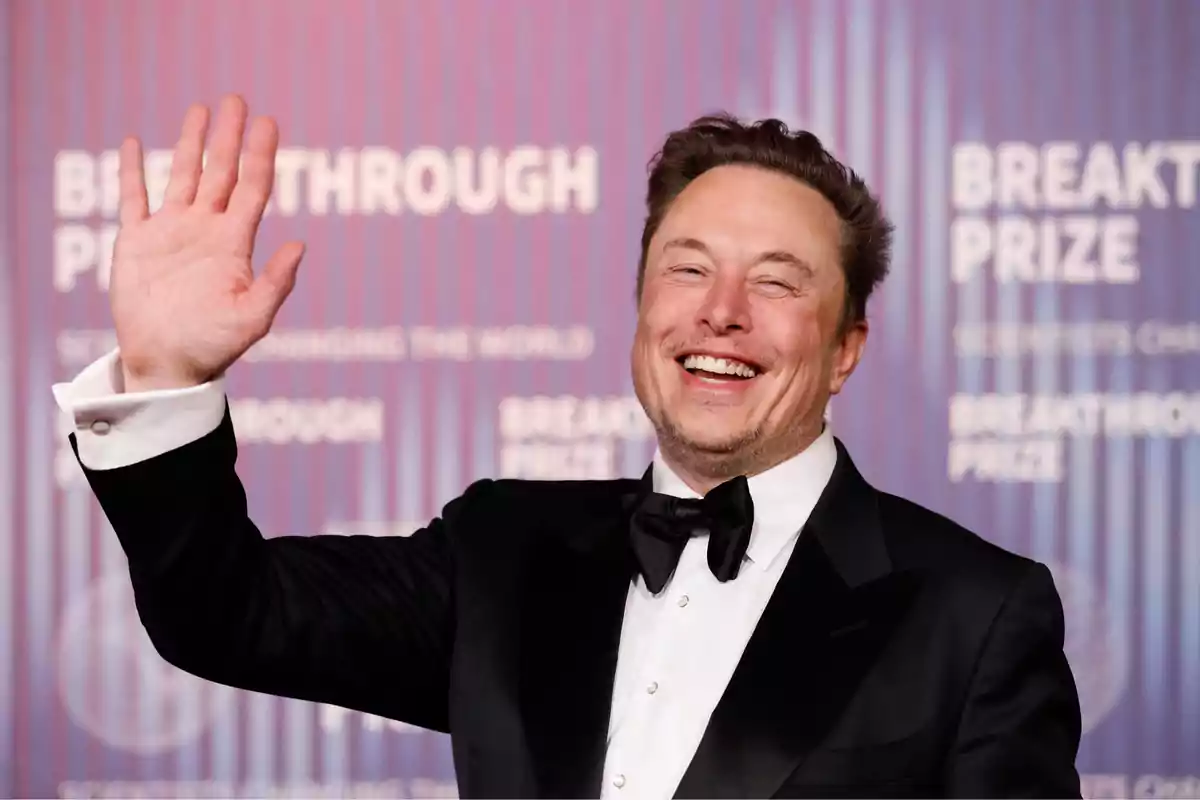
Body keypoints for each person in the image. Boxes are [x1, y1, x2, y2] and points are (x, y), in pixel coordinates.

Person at [53, 94, 1083, 799]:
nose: (721, 311)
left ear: (846, 345)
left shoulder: (974, 610)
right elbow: (227, 613)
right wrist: (167, 375)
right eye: (688, 268)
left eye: (776, 280)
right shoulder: (504, 547)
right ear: (641, 304)